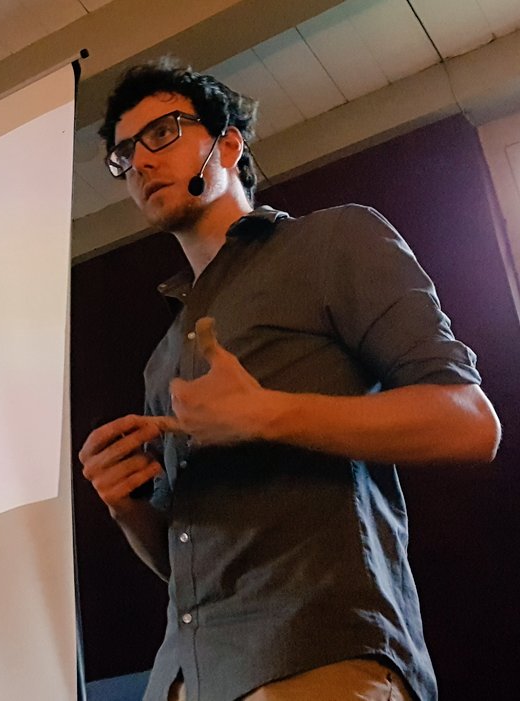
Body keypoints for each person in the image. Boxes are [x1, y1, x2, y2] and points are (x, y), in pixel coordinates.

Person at [78, 58, 500, 701]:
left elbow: (469, 422)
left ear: (227, 145)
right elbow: (184, 566)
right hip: (184, 680)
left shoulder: (332, 242)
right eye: (124, 153)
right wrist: (127, 507)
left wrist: (266, 413)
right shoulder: (163, 358)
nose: (139, 161)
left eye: (161, 134)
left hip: (315, 653)